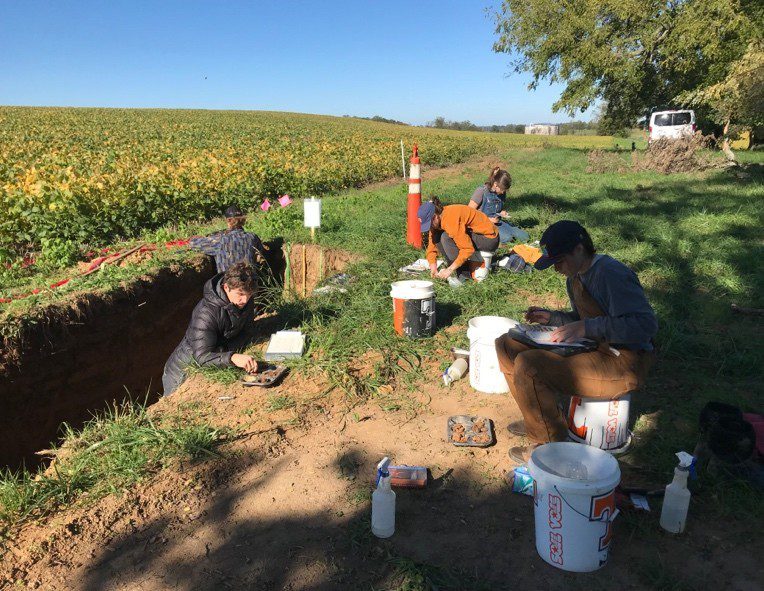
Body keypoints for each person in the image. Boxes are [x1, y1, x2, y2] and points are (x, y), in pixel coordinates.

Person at [495, 220, 658, 463]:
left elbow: (644, 326)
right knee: (507, 345)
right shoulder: (575, 277)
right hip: (596, 348)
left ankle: (549, 448)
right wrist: (553, 317)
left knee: (530, 366)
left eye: (559, 261)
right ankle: (538, 418)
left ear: (579, 249)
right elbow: (584, 319)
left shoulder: (610, 273)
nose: (557, 269)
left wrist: (586, 327)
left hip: (624, 361)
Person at [162, 262, 261, 396]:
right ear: (226, 287)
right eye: (240, 294)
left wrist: (229, 350)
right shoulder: (206, 314)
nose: (245, 300)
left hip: (212, 352)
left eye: (249, 295)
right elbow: (202, 356)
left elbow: (247, 330)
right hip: (181, 370)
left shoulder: (245, 300)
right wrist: (232, 357)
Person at [418, 197, 499, 285]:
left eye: (429, 224)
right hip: (476, 235)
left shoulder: (450, 220)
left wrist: (450, 269)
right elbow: (432, 246)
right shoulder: (436, 222)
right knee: (437, 236)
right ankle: (457, 268)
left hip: (489, 239)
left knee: (446, 237)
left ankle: (464, 275)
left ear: (435, 216)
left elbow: (468, 249)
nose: (430, 227)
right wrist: (433, 266)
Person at [190, 205, 265, 273]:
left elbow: (193, 243)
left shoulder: (220, 240)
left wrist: (201, 238)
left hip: (229, 284)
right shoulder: (253, 237)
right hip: (251, 283)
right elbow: (260, 253)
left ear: (228, 220)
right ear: (243, 220)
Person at [468, 167, 529, 244]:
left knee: (525, 236)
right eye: (502, 189)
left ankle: (500, 235)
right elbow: (468, 213)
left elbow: (496, 209)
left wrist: (501, 213)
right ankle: (483, 238)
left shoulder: (501, 192)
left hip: (497, 222)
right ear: (496, 184)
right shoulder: (481, 191)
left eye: (505, 190)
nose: (503, 192)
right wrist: (489, 220)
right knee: (507, 238)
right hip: (483, 224)